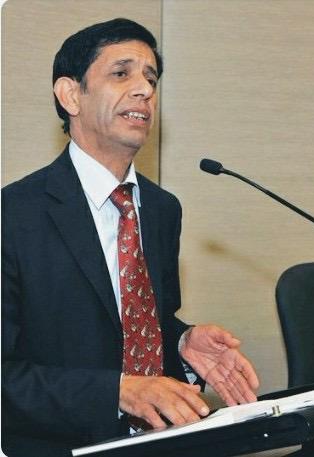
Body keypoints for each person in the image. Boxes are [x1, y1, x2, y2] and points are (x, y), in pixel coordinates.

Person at [2, 18, 259, 457]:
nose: (144, 90)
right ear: (70, 95)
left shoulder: (161, 209)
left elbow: (134, 325)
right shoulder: (14, 214)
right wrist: (117, 392)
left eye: (151, 79)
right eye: (121, 73)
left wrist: (182, 341)